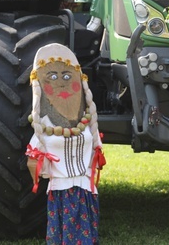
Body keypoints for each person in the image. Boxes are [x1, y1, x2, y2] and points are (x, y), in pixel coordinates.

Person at [26, 43, 105, 244]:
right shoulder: (43, 126)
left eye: (67, 77)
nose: (61, 83)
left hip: (86, 189)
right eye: (52, 77)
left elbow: (97, 152)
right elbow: (33, 161)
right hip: (61, 191)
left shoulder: (87, 122)